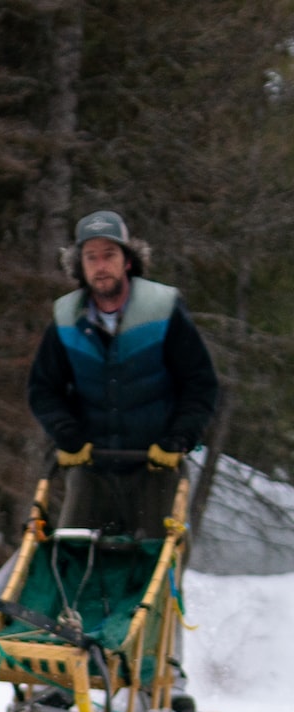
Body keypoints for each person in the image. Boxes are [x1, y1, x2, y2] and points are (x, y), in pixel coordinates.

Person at [27, 210, 219, 538]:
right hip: (91, 466)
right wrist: (66, 433)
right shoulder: (66, 319)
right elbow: (43, 389)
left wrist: (179, 438)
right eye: (91, 257)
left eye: (109, 255)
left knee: (156, 561)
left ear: (127, 261)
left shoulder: (163, 310)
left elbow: (200, 383)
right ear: (80, 265)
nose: (101, 266)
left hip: (156, 466)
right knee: (73, 558)